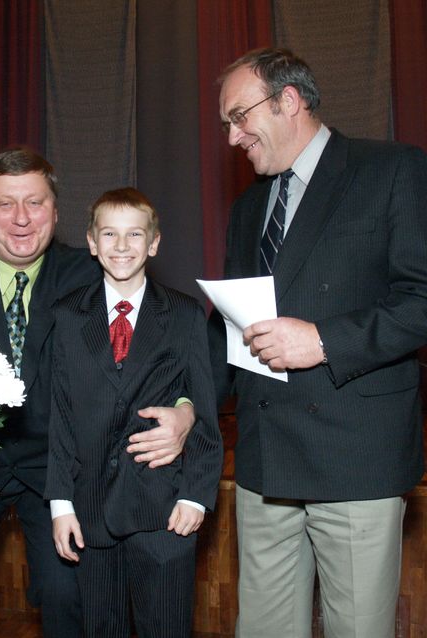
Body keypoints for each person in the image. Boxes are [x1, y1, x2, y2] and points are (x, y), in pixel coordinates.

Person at [0, 148, 196, 638]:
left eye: (35, 203)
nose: (21, 219)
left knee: (69, 598)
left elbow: (173, 352)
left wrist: (185, 411)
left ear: (57, 212)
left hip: (61, 469)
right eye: (5, 204)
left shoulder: (97, 273)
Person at [209, 47, 427, 638]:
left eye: (238, 117)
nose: (232, 137)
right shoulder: (248, 208)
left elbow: (421, 299)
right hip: (264, 463)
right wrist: (185, 406)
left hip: (355, 461)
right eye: (226, 124)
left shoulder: (392, 170)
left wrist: (325, 341)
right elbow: (227, 328)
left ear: (288, 100)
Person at [45, 187, 223, 637]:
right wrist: (61, 504)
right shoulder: (67, 316)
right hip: (90, 512)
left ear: (154, 243)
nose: (121, 245)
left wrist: (195, 495)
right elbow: (60, 416)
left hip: (164, 509)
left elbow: (203, 409)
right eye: (109, 234)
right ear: (91, 242)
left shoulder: (184, 314)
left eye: (135, 234)